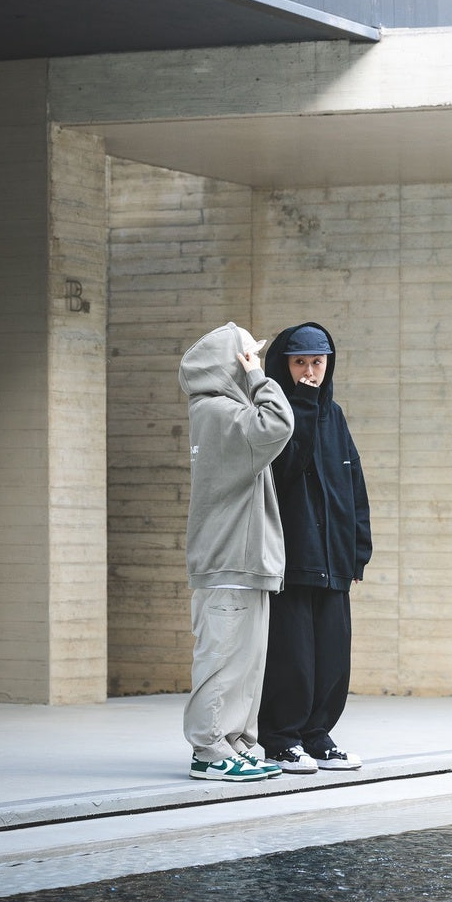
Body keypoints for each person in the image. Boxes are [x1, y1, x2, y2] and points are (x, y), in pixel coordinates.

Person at [178, 322, 295, 781]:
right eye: (248, 356)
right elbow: (279, 424)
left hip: (241, 562)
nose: (254, 363)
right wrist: (258, 377)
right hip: (228, 561)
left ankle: (235, 744)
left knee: (245, 667)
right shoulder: (218, 413)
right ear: (234, 363)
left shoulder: (226, 412)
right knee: (222, 663)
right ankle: (209, 751)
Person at [258, 322, 373, 773]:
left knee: (332, 658)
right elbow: (284, 471)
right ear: (284, 365)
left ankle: (317, 736)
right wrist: (302, 407)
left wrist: (357, 551)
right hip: (291, 557)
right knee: (293, 658)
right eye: (300, 362)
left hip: (334, 557)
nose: (309, 371)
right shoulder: (274, 413)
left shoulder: (335, 415)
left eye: (317, 362)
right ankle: (280, 739)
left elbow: (353, 484)